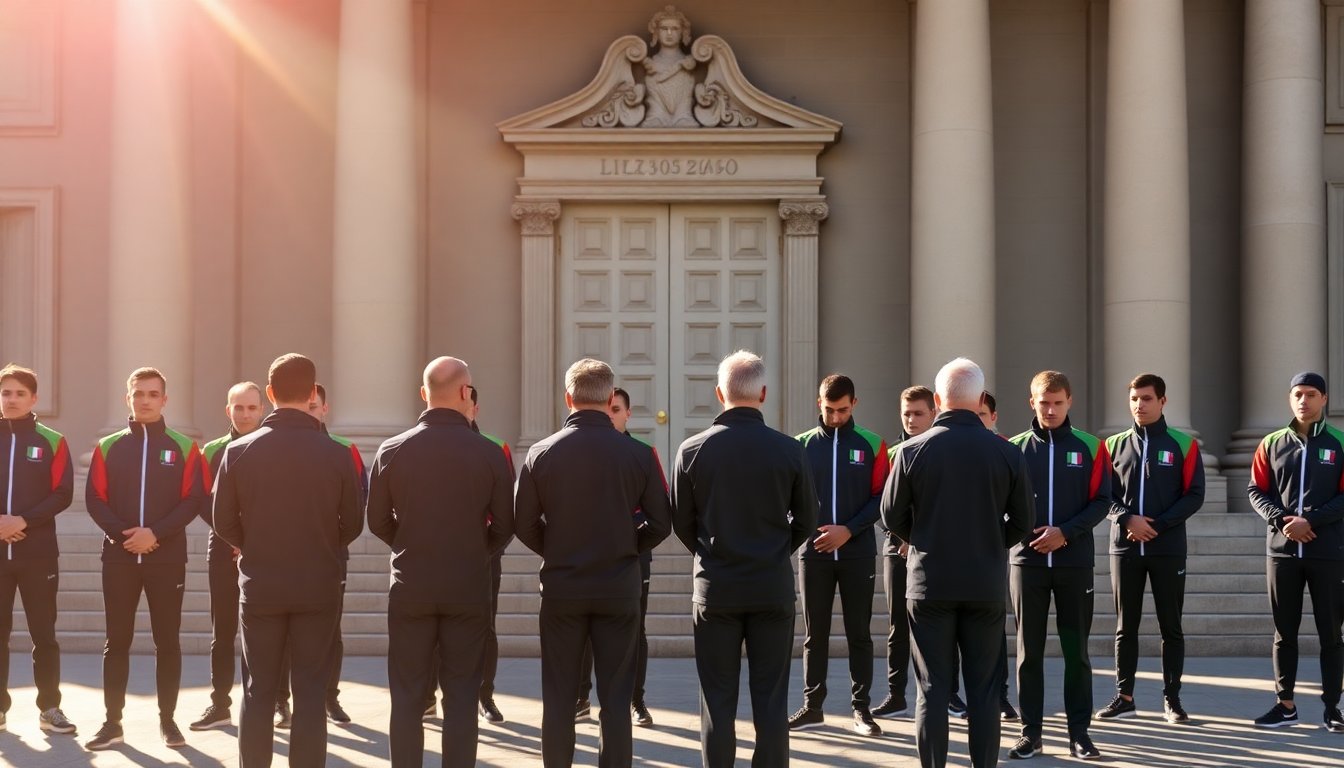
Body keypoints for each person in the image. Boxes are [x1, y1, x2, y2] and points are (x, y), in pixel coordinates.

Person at [514, 358, 671, 768]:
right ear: (608, 398)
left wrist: (555, 549)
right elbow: (661, 522)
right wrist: (628, 547)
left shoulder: (540, 453)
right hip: (619, 587)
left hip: (563, 588)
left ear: (568, 398)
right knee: (616, 701)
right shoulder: (638, 455)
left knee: (560, 699)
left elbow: (523, 523)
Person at [212, 353, 364, 768]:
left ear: (271, 393)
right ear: (313, 393)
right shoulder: (337, 454)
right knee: (312, 691)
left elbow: (222, 520)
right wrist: (320, 544)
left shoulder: (239, 450)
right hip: (318, 582)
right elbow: (352, 523)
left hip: (261, 582)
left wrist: (255, 544)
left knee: (258, 689)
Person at [881, 358, 1033, 768]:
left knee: (932, 688)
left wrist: (922, 538)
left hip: (929, 582)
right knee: (984, 690)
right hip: (983, 581)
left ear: (936, 400)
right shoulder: (1007, 452)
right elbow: (1024, 521)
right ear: (981, 399)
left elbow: (891, 515)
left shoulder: (912, 450)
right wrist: (989, 543)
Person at [672, 350, 818, 767]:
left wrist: (709, 553)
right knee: (771, 701)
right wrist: (775, 551)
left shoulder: (692, 450)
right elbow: (807, 519)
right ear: (764, 393)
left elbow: (683, 522)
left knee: (717, 702)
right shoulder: (790, 450)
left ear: (719, 394)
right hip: (770, 586)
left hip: (716, 588)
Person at [367, 357, 514, 768]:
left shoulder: (392, 450)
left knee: (408, 697)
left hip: (411, 583)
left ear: (423, 395)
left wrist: (409, 544)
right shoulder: (489, 452)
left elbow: (377, 520)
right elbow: (506, 524)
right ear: (467, 393)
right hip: (467, 586)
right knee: (463, 696)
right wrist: (475, 550)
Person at [84, 367, 206, 751]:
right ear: (129, 399)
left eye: (153, 394)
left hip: (166, 559)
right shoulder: (108, 447)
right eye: (139, 394)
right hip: (119, 558)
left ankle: (169, 722)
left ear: (164, 400)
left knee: (167, 641)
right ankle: (111, 723)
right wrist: (127, 536)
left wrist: (155, 533)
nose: (145, 400)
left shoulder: (185, 448)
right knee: (115, 641)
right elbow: (95, 500)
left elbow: (193, 499)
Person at [1006, 370, 1111, 760]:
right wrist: (1026, 536)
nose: (1050, 409)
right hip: (1026, 563)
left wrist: (1065, 532)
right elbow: (999, 504)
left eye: (1057, 402)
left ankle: (1079, 733)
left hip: (1074, 563)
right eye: (1043, 402)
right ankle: (1030, 732)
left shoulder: (1090, 447)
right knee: (1027, 652)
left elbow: (1103, 501)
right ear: (1031, 402)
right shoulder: (1012, 448)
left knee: (1075, 652)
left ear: (1070, 402)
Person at [1097, 373, 1205, 724]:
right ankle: (1124, 696)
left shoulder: (1183, 445)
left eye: (1146, 398)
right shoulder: (1112, 445)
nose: (1139, 405)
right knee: (1125, 626)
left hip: (1167, 548)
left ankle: (1172, 700)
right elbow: (1103, 495)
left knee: (1170, 626)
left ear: (1162, 401)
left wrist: (1156, 525)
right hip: (1125, 548)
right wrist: (1127, 519)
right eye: (1134, 399)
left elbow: (1194, 495)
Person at [788, 374, 887, 737]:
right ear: (819, 404)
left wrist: (848, 530)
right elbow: (789, 498)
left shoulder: (874, 445)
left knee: (859, 633)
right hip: (813, 553)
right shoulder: (800, 445)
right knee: (815, 634)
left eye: (842, 410)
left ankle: (862, 709)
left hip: (857, 552)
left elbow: (882, 499)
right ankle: (813, 706)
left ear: (854, 404)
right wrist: (804, 529)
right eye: (829, 410)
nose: (835, 416)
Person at [1247, 371, 1344, 732]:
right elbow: (1256, 490)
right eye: (1298, 394)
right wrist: (1282, 520)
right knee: (1283, 632)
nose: (1304, 400)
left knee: (1331, 633)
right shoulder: (1271, 443)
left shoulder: (1339, 443)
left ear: (1324, 399)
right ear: (1290, 399)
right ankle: (1285, 705)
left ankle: (1333, 708)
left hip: (1328, 552)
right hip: (1282, 552)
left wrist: (1311, 522)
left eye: (1312, 394)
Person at [274, 383, 365, 729]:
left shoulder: (344, 450)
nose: (309, 412)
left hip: (329, 557)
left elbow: (358, 502)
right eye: (305, 406)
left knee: (331, 633)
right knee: (281, 633)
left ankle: (329, 697)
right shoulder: (277, 446)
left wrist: (328, 541)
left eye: (315, 407)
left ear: (325, 409)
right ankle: (281, 702)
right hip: (280, 558)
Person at [0, 364, 76, 735]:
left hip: (39, 554)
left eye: (18, 393)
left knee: (43, 634)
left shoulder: (51, 440)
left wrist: (22, 521)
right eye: (5, 393)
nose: (10, 400)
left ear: (34, 399)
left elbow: (62, 492)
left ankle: (50, 707)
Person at [577, 387, 658, 727]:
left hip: (631, 558)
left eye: (617, 409)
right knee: (583, 628)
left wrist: (632, 543)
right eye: (607, 408)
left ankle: (636, 700)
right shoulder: (581, 451)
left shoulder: (643, 454)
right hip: (587, 557)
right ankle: (581, 699)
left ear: (628, 414)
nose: (610, 415)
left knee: (635, 630)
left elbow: (658, 514)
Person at [191, 381, 267, 731]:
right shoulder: (211, 451)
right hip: (222, 550)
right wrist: (233, 537)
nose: (246, 414)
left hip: (265, 550)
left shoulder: (272, 446)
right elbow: (202, 501)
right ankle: (219, 704)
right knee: (222, 631)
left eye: (252, 407)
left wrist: (252, 539)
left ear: (262, 409)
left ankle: (271, 702)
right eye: (239, 408)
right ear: (228, 410)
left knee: (264, 631)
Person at [874, 386, 949, 719]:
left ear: (933, 412)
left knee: (940, 624)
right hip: (897, 551)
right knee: (897, 625)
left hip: (934, 551)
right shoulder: (891, 454)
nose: (911, 419)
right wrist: (901, 538)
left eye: (918, 413)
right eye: (906, 413)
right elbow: (881, 505)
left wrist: (918, 539)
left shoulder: (940, 450)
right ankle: (896, 694)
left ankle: (946, 693)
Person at [977, 392, 1020, 723]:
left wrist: (997, 540)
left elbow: (1020, 510)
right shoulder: (945, 447)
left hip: (993, 554)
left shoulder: (1008, 451)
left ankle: (1001, 697)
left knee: (994, 631)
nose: (977, 419)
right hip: (950, 555)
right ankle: (952, 697)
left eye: (982, 414)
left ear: (994, 417)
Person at [640, 5, 697, 127]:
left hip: (684, 117)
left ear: (683, 32)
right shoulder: (651, 64)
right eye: (664, 28)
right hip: (656, 117)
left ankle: (682, 115)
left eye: (675, 29)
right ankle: (657, 115)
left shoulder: (688, 63)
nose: (669, 33)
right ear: (656, 32)